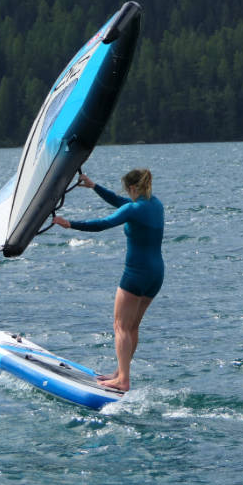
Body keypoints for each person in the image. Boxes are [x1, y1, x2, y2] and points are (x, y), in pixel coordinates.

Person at [52, 168, 164, 393]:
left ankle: (123, 380)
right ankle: (121, 373)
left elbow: (103, 223)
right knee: (132, 326)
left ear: (133, 188)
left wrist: (70, 224)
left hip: (136, 274)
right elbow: (121, 202)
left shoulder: (133, 209)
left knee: (120, 326)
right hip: (156, 274)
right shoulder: (155, 204)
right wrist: (94, 186)